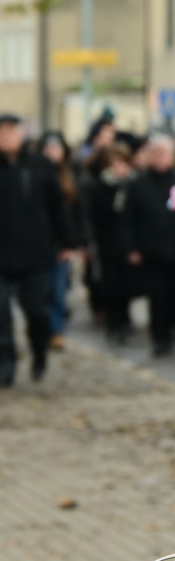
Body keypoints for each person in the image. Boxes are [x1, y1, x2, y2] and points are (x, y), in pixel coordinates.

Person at [0, 114, 72, 384]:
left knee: (37, 311)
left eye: (10, 132)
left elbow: (57, 207)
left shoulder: (41, 166)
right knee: (1, 316)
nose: (5, 137)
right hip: (2, 257)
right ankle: (5, 365)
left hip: (36, 254)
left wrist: (66, 241)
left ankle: (39, 351)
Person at [123, 134, 175, 357]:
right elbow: (129, 219)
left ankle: (174, 328)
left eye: (164, 154)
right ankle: (160, 337)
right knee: (156, 296)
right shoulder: (138, 184)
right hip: (151, 252)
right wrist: (131, 248)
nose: (160, 159)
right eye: (156, 154)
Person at [81, 143, 138, 343]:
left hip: (129, 245)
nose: (119, 168)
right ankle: (113, 319)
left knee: (128, 285)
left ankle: (124, 318)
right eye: (114, 164)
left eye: (122, 163)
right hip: (107, 244)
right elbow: (91, 216)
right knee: (110, 285)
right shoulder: (99, 187)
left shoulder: (134, 186)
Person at [38, 131, 83, 351]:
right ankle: (43, 329)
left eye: (56, 148)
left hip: (60, 243)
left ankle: (56, 330)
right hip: (39, 243)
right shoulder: (34, 173)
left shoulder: (70, 177)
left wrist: (72, 242)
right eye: (48, 148)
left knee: (58, 289)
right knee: (41, 290)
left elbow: (75, 213)